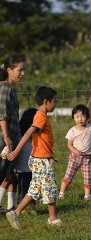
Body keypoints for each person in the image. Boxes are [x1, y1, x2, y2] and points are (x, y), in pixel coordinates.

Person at [6, 86, 62, 230]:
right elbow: (27, 134)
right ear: (45, 101)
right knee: (50, 187)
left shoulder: (40, 116)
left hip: (39, 159)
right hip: (42, 160)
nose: (56, 104)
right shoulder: (41, 117)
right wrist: (16, 152)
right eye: (54, 101)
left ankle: (16, 213)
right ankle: (52, 217)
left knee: (35, 189)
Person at [58, 104, 91, 201]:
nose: (80, 119)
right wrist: (75, 151)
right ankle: (61, 193)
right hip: (75, 157)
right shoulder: (72, 131)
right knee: (68, 176)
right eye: (77, 116)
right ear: (73, 118)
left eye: (83, 116)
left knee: (88, 177)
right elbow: (69, 144)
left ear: (87, 117)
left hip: (88, 158)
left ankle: (87, 195)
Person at [0, 54, 26, 216]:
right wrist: (7, 137)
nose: (23, 73)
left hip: (10, 138)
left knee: (7, 173)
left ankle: (8, 207)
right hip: (4, 139)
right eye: (20, 70)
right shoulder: (5, 88)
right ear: (9, 70)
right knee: (2, 172)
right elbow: (1, 114)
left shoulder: (11, 88)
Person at [14, 107, 38, 214]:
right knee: (28, 188)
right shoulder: (25, 136)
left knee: (26, 188)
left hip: (28, 168)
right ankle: (25, 207)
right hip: (27, 169)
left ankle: (30, 207)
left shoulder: (21, 135)